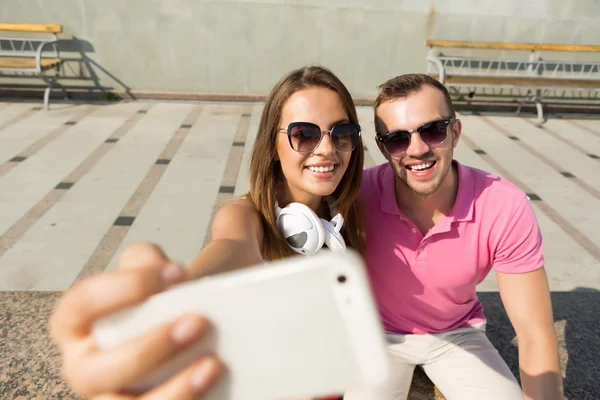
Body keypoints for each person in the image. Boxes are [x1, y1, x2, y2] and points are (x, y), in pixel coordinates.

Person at [49, 65, 365, 400]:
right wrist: (164, 304)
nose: (328, 149)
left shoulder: (351, 211)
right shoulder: (245, 215)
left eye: (341, 132)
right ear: (272, 146)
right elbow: (232, 248)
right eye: (304, 134)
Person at [345, 73, 564, 400]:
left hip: (458, 332)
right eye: (397, 139)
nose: (417, 150)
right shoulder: (356, 196)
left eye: (432, 131)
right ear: (382, 147)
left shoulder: (503, 205)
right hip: (377, 334)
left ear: (455, 132)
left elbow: (535, 334)